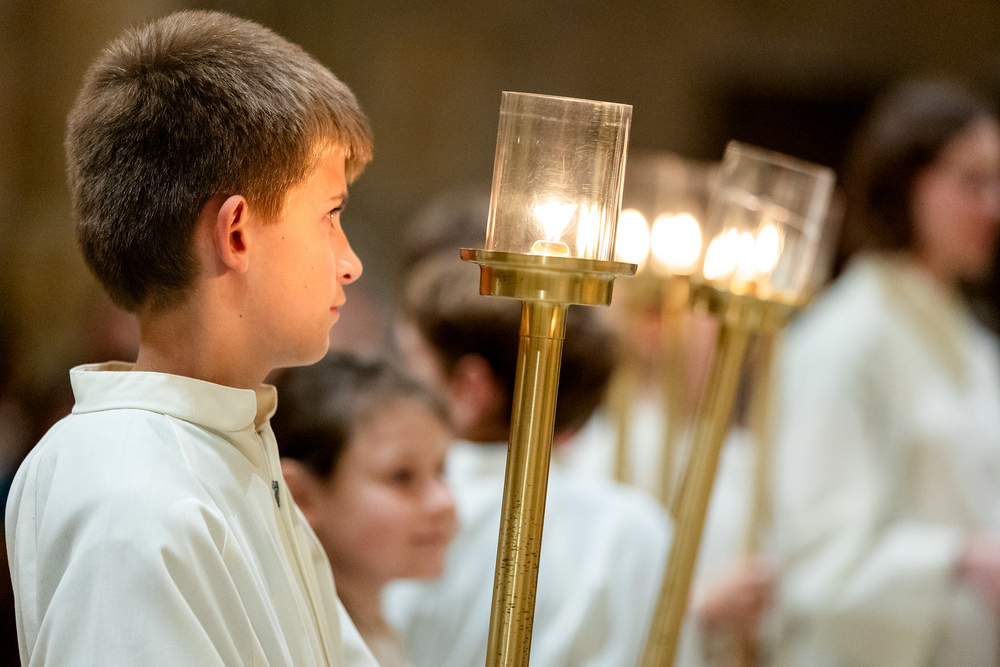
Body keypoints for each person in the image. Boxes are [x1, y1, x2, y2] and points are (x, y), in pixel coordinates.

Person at [5, 11, 380, 666]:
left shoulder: (230, 441)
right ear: (236, 233)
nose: (350, 262)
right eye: (330, 215)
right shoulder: (131, 495)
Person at [772, 79, 1000, 667]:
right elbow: (818, 557)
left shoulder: (970, 338)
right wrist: (963, 559)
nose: (994, 207)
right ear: (905, 182)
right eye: (973, 182)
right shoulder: (845, 337)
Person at [385, 254, 671, 667]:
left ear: (470, 388)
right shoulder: (640, 527)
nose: (393, 388)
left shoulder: (421, 515)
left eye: (410, 364)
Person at [270, 352, 457, 667]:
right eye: (402, 476)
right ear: (300, 497)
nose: (444, 502)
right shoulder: (297, 646)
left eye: (441, 470)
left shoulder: (377, 626)